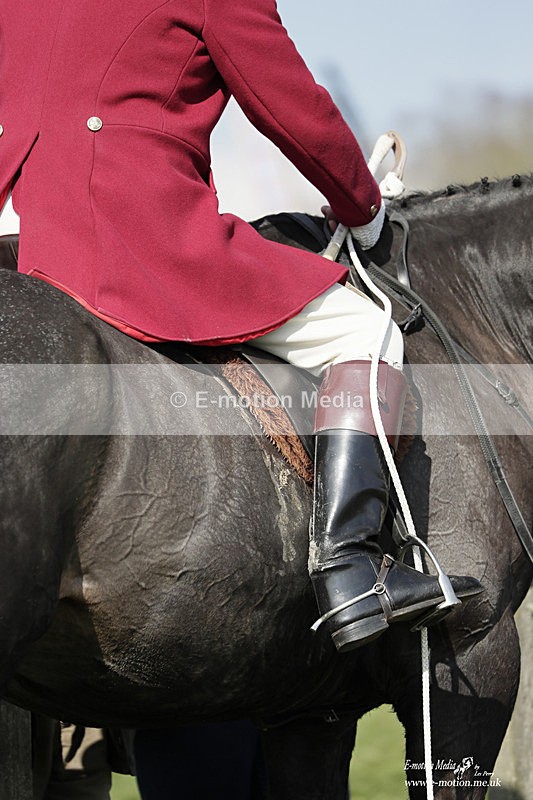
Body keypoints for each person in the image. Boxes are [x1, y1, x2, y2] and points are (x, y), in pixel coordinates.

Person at [0, 0, 480, 652]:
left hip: (18, 224)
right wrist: (361, 205)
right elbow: (290, 107)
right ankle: (352, 569)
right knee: (365, 332)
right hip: (122, 227)